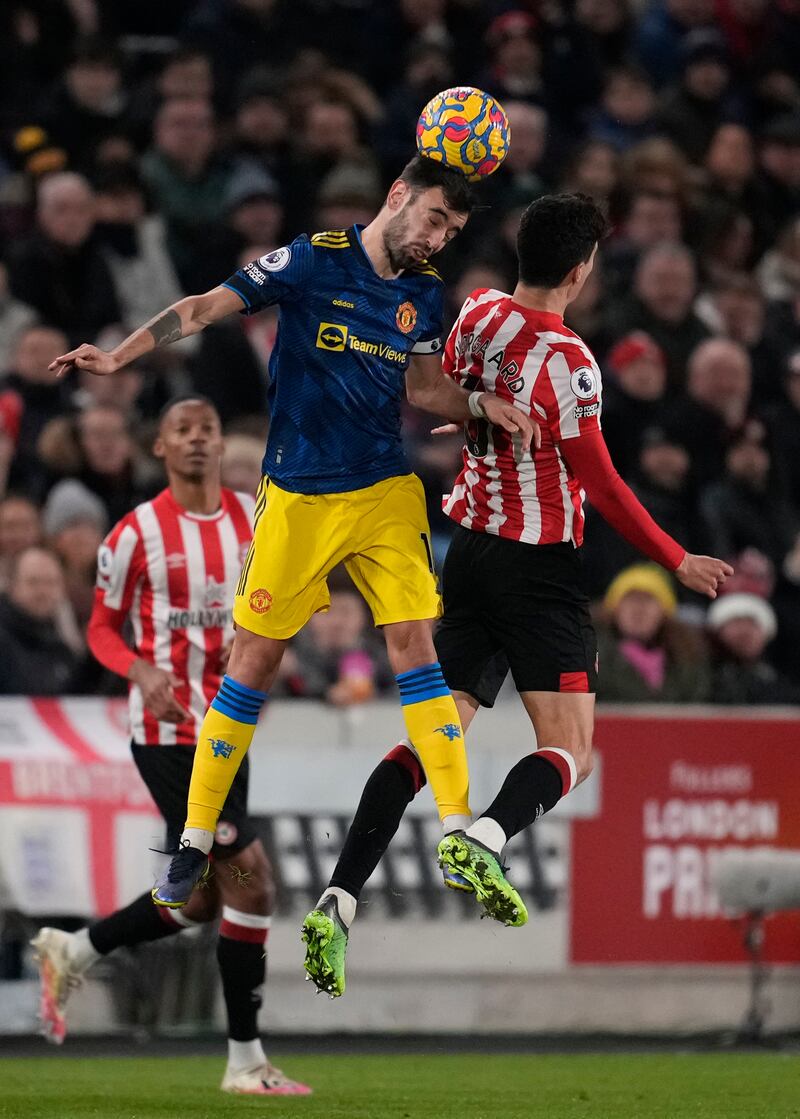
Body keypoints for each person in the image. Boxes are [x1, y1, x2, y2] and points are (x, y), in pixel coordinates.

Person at [48, 156, 536, 919]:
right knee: (255, 658)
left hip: (382, 489)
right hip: (300, 493)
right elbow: (210, 306)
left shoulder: (420, 293)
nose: (439, 238)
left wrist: (478, 402)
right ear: (398, 195)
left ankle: (454, 826)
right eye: (437, 218)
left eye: (455, 230)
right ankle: (195, 837)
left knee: (415, 639)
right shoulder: (313, 261)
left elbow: (421, 387)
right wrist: (120, 356)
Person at [303, 192, 732, 997]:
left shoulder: (479, 311)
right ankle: (489, 836)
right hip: (538, 569)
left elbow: (455, 392)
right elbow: (599, 482)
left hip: (465, 555)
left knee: (437, 738)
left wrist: (470, 428)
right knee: (572, 750)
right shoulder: (571, 362)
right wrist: (677, 558)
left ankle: (339, 896)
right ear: (581, 270)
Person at [30, 396, 310, 1097]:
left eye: (206, 429)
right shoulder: (134, 535)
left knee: (200, 902)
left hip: (229, 729)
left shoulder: (256, 520)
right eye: (180, 431)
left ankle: (76, 946)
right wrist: (140, 668)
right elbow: (100, 629)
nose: (194, 440)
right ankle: (245, 1061)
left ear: (220, 442)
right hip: (165, 732)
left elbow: (282, 606)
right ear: (159, 446)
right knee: (253, 875)